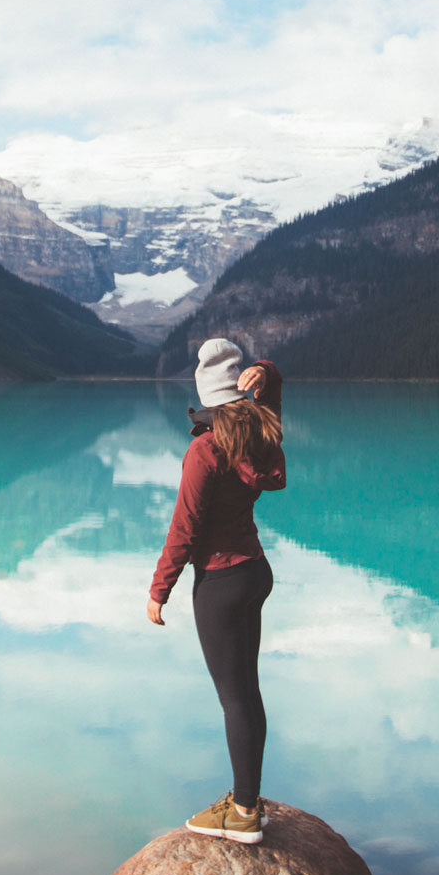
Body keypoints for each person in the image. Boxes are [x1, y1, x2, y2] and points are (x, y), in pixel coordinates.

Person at [148, 337, 286, 845]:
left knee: (235, 699)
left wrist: (159, 589)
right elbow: (271, 399)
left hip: (221, 584)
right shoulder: (261, 435)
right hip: (255, 572)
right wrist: (268, 373)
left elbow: (184, 526)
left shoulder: (206, 450)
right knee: (247, 693)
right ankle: (247, 798)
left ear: (207, 396)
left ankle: (245, 811)